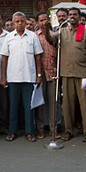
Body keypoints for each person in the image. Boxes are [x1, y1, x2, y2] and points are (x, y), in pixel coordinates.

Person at [52, 8, 86, 142]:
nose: (72, 17)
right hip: (66, 74)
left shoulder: (85, 32)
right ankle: (68, 130)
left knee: (85, 105)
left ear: (79, 16)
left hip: (82, 74)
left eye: (74, 14)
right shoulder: (62, 32)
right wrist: (44, 27)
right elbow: (49, 40)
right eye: (69, 15)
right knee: (67, 105)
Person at [0, 12, 43, 142]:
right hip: (13, 78)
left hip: (29, 77)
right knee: (13, 106)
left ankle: (30, 132)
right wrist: (3, 77)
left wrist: (39, 75)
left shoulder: (32, 36)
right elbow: (4, 58)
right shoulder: (8, 37)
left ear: (26, 22)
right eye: (17, 21)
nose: (19, 24)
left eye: (22, 21)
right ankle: (12, 132)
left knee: (29, 106)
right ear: (13, 23)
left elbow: (38, 56)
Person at [34, 11, 58, 140]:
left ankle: (54, 129)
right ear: (37, 23)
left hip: (53, 73)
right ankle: (40, 128)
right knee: (40, 104)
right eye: (41, 20)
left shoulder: (55, 35)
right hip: (39, 74)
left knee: (53, 103)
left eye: (45, 20)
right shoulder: (34, 37)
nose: (43, 22)